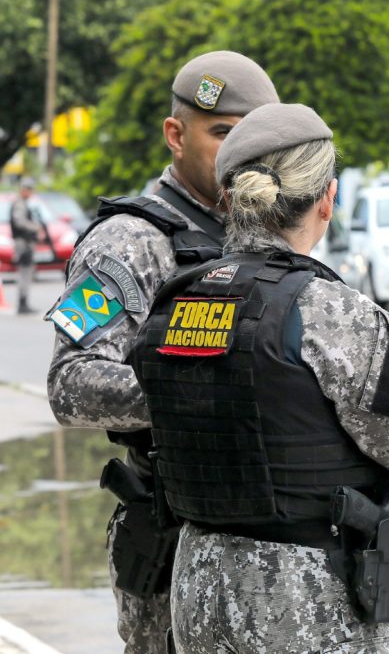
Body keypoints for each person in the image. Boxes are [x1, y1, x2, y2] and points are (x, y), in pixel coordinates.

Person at [129, 103, 389, 653]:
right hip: (302, 604)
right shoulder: (335, 315)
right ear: (327, 199)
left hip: (196, 590)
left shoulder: (175, 299)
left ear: (231, 201)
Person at [46, 50, 279, 653]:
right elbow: (71, 385)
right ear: (176, 135)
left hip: (267, 544)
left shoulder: (268, 232)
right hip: (173, 534)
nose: (240, 155)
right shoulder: (130, 243)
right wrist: (203, 391)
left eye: (253, 138)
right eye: (223, 134)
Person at [9, 177, 43, 314]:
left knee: (26, 272)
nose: (29, 192)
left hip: (25, 241)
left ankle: (23, 302)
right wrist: (36, 228)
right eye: (28, 189)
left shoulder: (23, 203)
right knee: (25, 272)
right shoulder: (19, 203)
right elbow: (20, 222)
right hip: (23, 242)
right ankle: (22, 303)